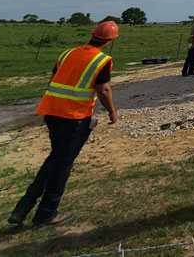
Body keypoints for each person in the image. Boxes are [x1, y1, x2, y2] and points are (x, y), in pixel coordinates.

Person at [9, 20, 120, 228]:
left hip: (53, 113)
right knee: (61, 164)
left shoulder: (67, 53)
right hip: (75, 117)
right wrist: (112, 111)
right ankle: (46, 213)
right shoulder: (102, 60)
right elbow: (103, 89)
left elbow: (52, 80)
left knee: (55, 159)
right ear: (110, 40)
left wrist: (50, 107)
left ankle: (22, 208)